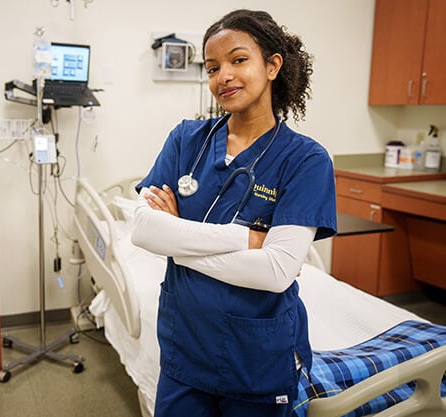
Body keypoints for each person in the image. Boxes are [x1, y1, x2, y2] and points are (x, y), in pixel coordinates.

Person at [131, 9, 337, 417]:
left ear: (273, 65)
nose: (222, 76)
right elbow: (142, 230)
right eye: (212, 67)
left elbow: (276, 272)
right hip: (185, 349)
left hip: (255, 358)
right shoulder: (186, 139)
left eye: (238, 60)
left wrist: (175, 238)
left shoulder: (306, 160)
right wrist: (244, 238)